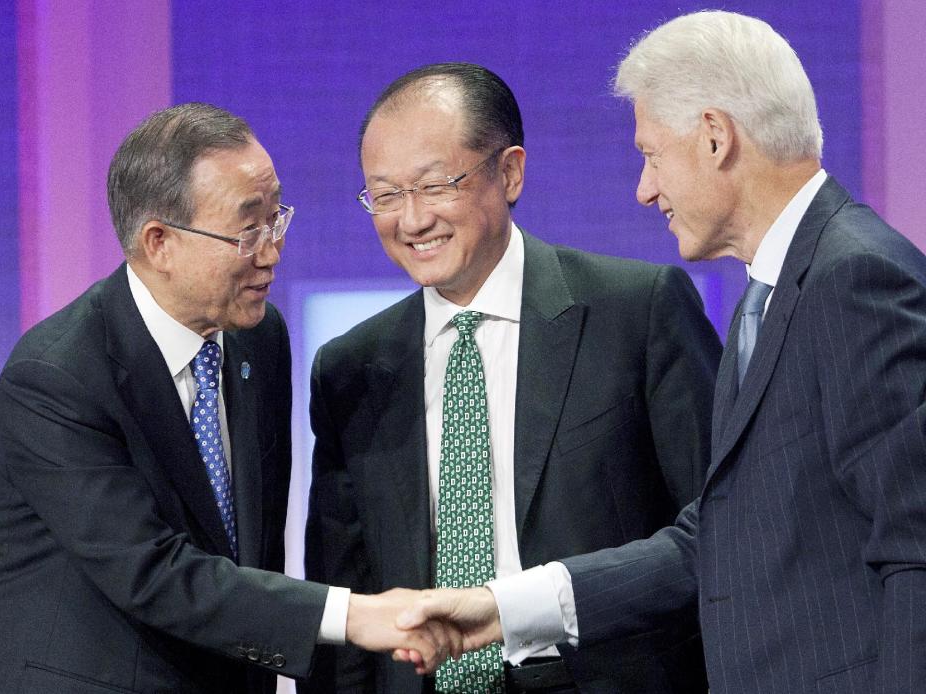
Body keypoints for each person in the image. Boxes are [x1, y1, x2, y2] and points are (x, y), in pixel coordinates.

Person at [397, 11, 926, 694]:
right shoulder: (767, 300)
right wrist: (503, 608)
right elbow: (716, 540)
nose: (645, 189)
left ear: (714, 137)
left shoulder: (854, 279)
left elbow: (916, 548)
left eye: (651, 154)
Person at [0, 102, 456, 694]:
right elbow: (152, 572)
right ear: (159, 243)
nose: (272, 251)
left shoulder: (258, 339)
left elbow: (250, 553)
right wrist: (354, 615)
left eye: (277, 219)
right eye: (248, 230)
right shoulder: (57, 377)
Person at [302, 63, 722, 693]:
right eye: (385, 195)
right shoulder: (351, 368)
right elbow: (347, 593)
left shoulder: (637, 312)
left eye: (435, 184)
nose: (411, 220)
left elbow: (719, 528)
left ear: (510, 172)